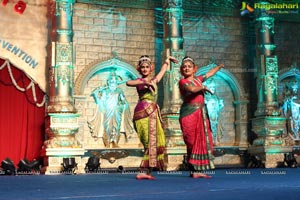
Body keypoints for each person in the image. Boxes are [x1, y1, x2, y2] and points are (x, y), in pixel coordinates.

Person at [126, 55, 178, 180]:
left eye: (147, 67)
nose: (144, 69)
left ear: (150, 68)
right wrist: (144, 81)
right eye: (142, 67)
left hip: (153, 112)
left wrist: (167, 60)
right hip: (143, 113)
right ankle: (143, 171)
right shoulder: (139, 81)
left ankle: (147, 170)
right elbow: (128, 82)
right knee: (149, 142)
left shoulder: (154, 80)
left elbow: (163, 71)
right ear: (139, 69)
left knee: (156, 141)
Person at [178, 56, 224, 178]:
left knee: (202, 140)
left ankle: (197, 171)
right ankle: (193, 170)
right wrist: (203, 87)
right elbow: (192, 89)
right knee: (191, 141)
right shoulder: (183, 82)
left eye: (189, 66)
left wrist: (218, 67)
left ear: (194, 69)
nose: (187, 68)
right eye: (184, 67)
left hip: (200, 113)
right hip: (189, 113)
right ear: (182, 70)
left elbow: (209, 74)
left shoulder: (199, 79)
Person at [88, 71, 135, 148]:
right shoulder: (105, 90)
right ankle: (107, 142)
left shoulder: (119, 90)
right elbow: (101, 102)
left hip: (117, 111)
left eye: (114, 80)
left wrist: (123, 100)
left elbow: (123, 101)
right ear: (108, 81)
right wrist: (96, 95)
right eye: (111, 80)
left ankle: (115, 142)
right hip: (108, 110)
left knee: (117, 126)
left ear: (117, 81)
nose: (113, 81)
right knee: (107, 126)